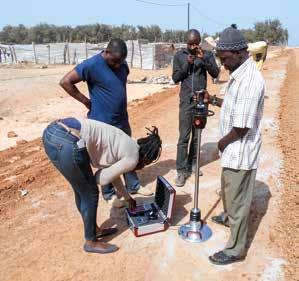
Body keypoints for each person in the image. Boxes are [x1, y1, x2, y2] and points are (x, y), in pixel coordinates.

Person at [42, 117, 162, 254]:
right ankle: (91, 241)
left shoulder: (129, 143)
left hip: (53, 133)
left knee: (80, 190)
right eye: (146, 163)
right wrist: (95, 179)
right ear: (146, 157)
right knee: (90, 192)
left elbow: (114, 174)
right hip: (67, 141)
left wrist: (127, 197)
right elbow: (102, 179)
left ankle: (94, 229)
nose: (142, 167)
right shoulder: (133, 158)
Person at [59, 39, 152, 201]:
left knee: (128, 153)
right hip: (102, 123)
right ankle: (109, 194)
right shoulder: (92, 65)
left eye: (121, 61)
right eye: (114, 61)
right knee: (107, 159)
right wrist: (86, 101)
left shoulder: (123, 66)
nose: (117, 65)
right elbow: (65, 82)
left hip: (122, 120)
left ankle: (133, 186)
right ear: (106, 52)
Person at [204, 27, 265, 265]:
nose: (222, 63)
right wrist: (214, 100)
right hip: (233, 150)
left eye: (224, 58)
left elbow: (241, 127)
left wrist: (219, 145)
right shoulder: (239, 72)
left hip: (240, 150)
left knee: (239, 200)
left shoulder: (250, 81)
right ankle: (228, 217)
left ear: (239, 53)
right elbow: (233, 105)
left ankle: (235, 249)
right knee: (229, 188)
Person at [172, 29, 219, 187]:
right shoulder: (179, 56)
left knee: (197, 136)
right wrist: (188, 63)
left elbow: (215, 73)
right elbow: (175, 78)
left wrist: (203, 59)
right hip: (186, 101)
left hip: (201, 101)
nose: (192, 46)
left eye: (195, 44)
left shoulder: (206, 54)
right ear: (186, 42)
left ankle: (193, 164)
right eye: (190, 44)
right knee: (183, 137)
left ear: (199, 43)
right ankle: (181, 170)